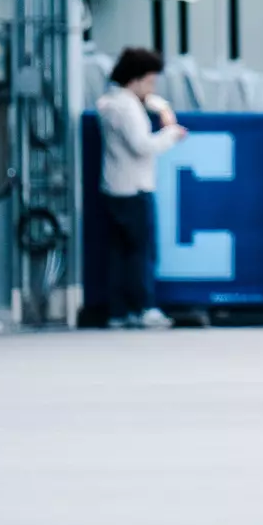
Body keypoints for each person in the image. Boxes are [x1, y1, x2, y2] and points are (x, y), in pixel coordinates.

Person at [95, 47, 187, 329]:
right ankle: (143, 307)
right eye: (149, 81)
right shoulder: (128, 107)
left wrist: (155, 104)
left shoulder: (110, 103)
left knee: (119, 253)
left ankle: (119, 311)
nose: (152, 88)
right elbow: (142, 145)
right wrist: (171, 133)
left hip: (114, 187)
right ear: (135, 80)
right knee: (140, 252)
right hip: (135, 189)